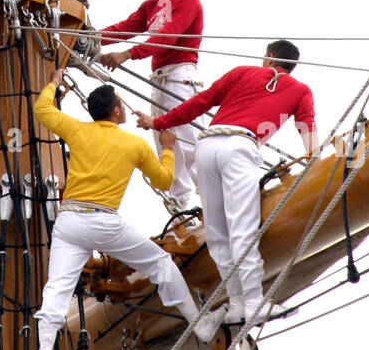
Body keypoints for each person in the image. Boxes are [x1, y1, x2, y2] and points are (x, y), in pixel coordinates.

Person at [30, 65, 208, 350]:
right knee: (161, 264)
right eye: (122, 105)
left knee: (56, 288)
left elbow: (42, 109)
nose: (124, 108)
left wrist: (54, 84)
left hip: (69, 221)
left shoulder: (77, 129)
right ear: (116, 111)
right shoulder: (134, 145)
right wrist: (168, 148)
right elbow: (166, 180)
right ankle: (200, 324)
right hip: (103, 222)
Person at [136, 40, 318, 333]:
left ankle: (236, 304)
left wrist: (159, 122)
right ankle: (255, 300)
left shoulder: (242, 72)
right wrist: (315, 160)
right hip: (240, 146)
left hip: (207, 145)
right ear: (290, 65)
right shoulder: (300, 90)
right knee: (242, 227)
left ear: (268, 57)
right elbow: (306, 128)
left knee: (217, 232)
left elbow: (199, 103)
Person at [99, 0, 205, 214]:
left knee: (194, 149)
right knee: (168, 151)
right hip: (158, 82)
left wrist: (128, 54)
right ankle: (181, 216)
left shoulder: (188, 0)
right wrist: (88, 38)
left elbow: (167, 37)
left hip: (180, 78)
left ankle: (216, 208)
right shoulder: (150, 6)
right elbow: (124, 28)